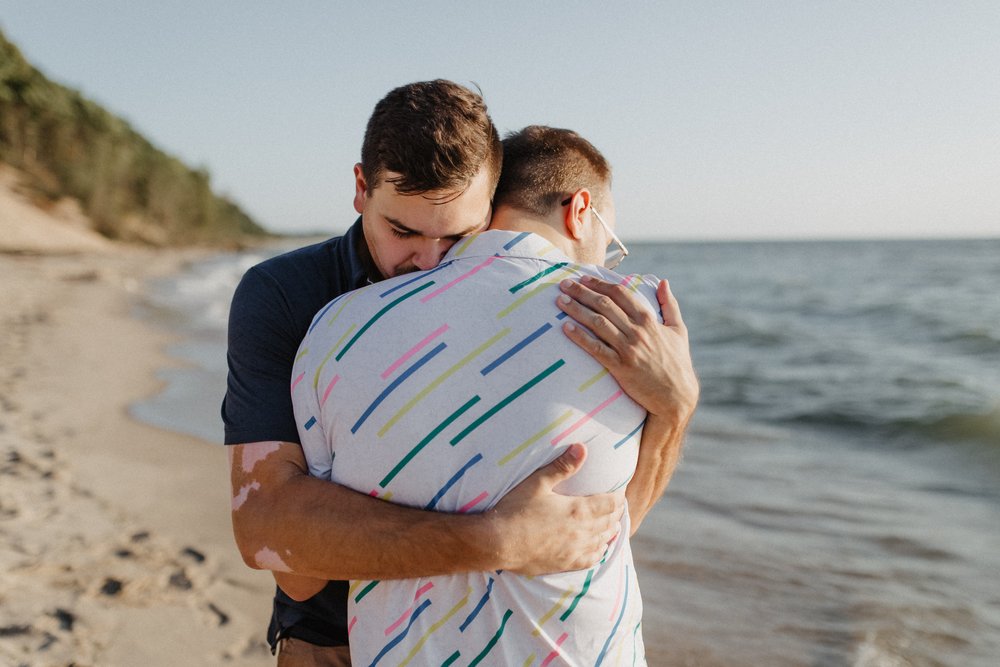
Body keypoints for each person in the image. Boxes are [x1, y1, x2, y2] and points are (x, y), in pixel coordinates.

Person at [224, 81, 698, 664]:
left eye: (456, 236)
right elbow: (269, 528)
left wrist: (674, 407)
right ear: (360, 189)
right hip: (328, 642)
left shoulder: (530, 310)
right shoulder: (288, 296)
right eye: (402, 232)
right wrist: (499, 541)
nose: (429, 261)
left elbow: (595, 534)